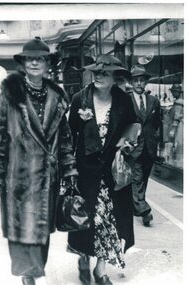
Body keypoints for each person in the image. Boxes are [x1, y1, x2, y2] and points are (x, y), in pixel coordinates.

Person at [0, 37, 78, 285]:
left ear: (47, 63)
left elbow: (65, 138)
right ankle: (28, 275)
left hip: (47, 175)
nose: (35, 62)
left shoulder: (58, 98)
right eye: (30, 58)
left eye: (40, 58)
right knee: (21, 229)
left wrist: (69, 169)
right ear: (24, 63)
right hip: (19, 175)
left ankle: (35, 269)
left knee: (42, 231)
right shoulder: (10, 94)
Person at [68, 54, 138, 285]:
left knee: (108, 221)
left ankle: (100, 269)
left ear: (114, 77)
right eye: (96, 72)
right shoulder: (80, 99)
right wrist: (68, 169)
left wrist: (127, 142)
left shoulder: (123, 100)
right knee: (85, 220)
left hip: (112, 172)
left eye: (104, 73)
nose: (98, 76)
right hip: (85, 172)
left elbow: (133, 125)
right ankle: (83, 257)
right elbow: (69, 136)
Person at [129, 65, 161, 227]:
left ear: (146, 82)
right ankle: (144, 210)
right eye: (136, 81)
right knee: (136, 178)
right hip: (133, 147)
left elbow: (157, 124)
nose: (139, 84)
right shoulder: (126, 100)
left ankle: (137, 204)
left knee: (144, 178)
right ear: (131, 83)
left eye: (142, 81)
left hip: (149, 147)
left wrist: (155, 140)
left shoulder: (154, 101)